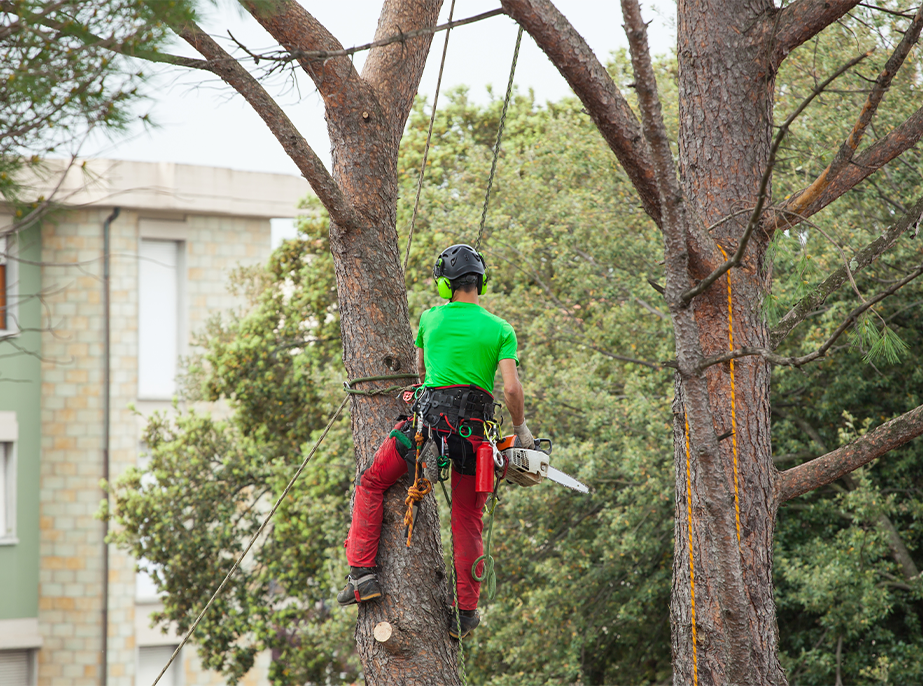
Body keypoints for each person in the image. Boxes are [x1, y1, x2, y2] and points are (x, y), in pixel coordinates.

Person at [337, 243, 534, 639]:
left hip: (424, 428)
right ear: (480, 282)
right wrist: (522, 427)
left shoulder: (430, 318)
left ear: (445, 284)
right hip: (472, 439)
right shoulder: (501, 329)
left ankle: (362, 575)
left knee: (372, 481)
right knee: (467, 519)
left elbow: (423, 373)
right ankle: (465, 613)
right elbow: (510, 389)